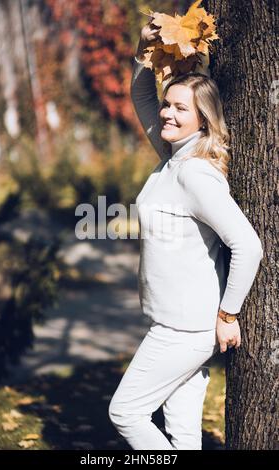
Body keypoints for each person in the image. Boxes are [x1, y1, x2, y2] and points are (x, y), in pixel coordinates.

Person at [108, 20, 263, 450]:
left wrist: (228, 315)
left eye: (180, 109)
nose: (167, 114)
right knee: (184, 433)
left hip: (185, 330)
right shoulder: (174, 155)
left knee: (126, 412)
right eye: (168, 105)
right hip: (173, 321)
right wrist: (143, 48)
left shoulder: (195, 172)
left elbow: (248, 245)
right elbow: (141, 96)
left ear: (202, 119)